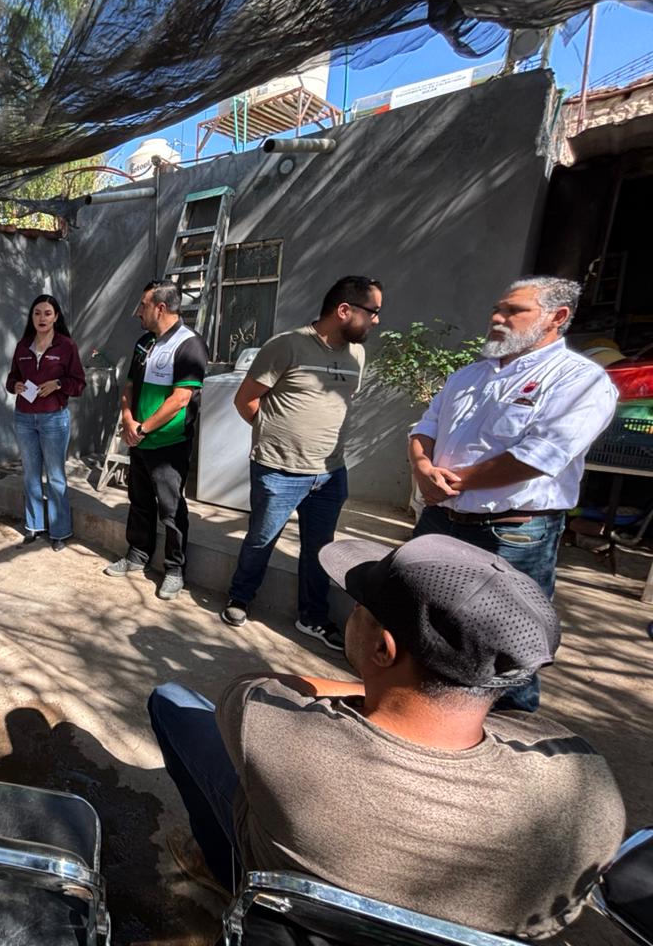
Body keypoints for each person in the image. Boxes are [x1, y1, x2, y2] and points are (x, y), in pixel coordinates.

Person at [148, 534, 625, 940]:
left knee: (172, 702)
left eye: (359, 605)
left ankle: (221, 866)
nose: (352, 611)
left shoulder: (274, 727)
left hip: (296, 915)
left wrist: (374, 691)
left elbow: (261, 686)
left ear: (383, 647)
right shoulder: (588, 787)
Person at [409, 276, 618, 711]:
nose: (497, 318)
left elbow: (540, 456)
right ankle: (427, 714)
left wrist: (457, 482)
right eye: (497, 308)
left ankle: (509, 730)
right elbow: (425, 427)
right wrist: (423, 467)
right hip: (440, 520)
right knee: (421, 622)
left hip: (512, 534)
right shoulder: (469, 375)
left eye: (513, 311)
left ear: (557, 317)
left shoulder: (580, 381)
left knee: (509, 646)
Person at [221, 276, 383, 651]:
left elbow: (338, 403)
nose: (376, 320)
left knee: (320, 549)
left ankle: (312, 617)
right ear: (345, 310)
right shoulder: (287, 346)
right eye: (373, 312)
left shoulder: (357, 355)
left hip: (331, 473)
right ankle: (240, 597)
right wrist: (275, 437)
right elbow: (245, 400)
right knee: (261, 540)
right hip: (279, 470)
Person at [103, 280, 207, 601]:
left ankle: (174, 569)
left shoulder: (190, 344)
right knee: (139, 500)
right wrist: (127, 419)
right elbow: (129, 386)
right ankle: (137, 554)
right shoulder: (144, 342)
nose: (138, 312)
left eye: (143, 305)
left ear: (160, 308)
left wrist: (144, 428)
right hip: (139, 439)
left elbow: (180, 399)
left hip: (168, 444)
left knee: (171, 509)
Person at [5, 294, 86, 550]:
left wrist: (58, 384)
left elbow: (79, 383)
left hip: (53, 419)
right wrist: (15, 386)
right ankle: (33, 525)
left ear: (56, 317)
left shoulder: (66, 346)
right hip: (24, 419)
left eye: (47, 313)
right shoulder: (23, 346)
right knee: (30, 474)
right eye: (37, 313)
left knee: (55, 476)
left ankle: (60, 531)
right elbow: (11, 379)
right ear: (31, 317)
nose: (42, 318)